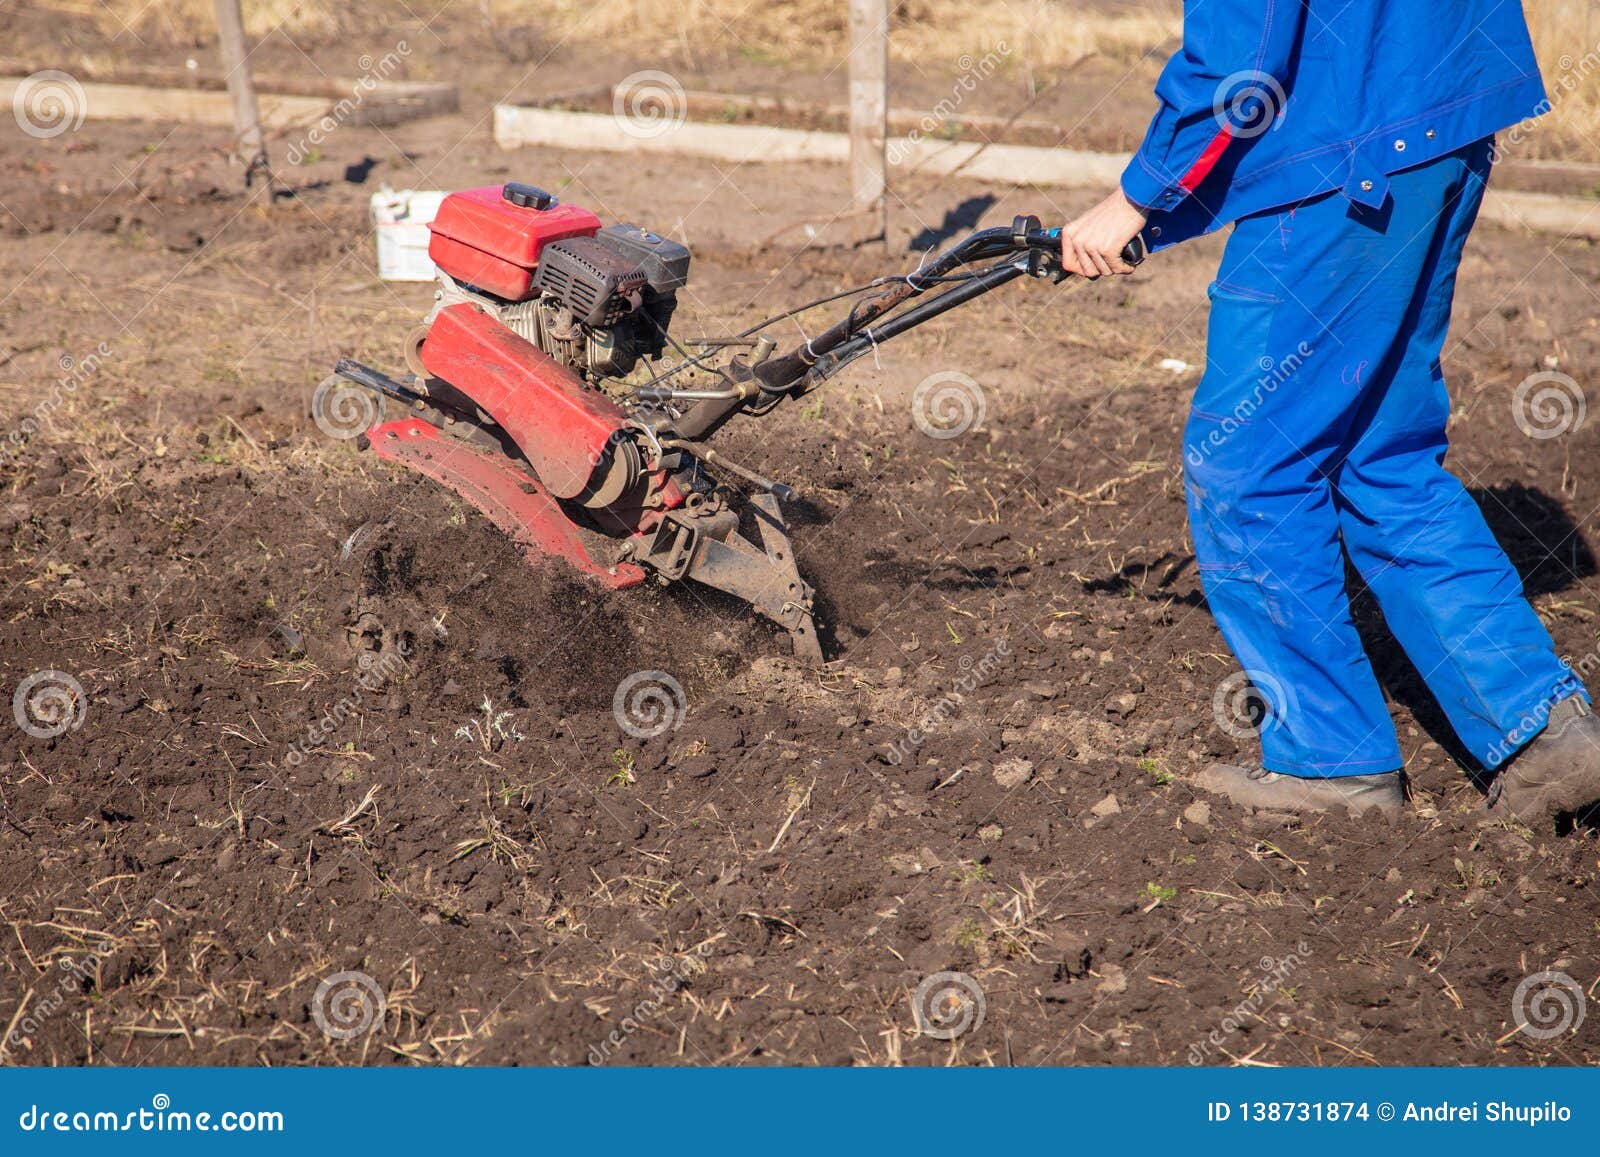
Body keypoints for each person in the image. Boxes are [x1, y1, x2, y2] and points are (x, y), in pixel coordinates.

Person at [1058, 0, 1600, 826]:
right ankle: (1545, 731)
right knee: (1380, 457)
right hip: (1437, 116)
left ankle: (1330, 761)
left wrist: (1140, 197)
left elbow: (1245, 55)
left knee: (1249, 466)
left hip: (1352, 151)